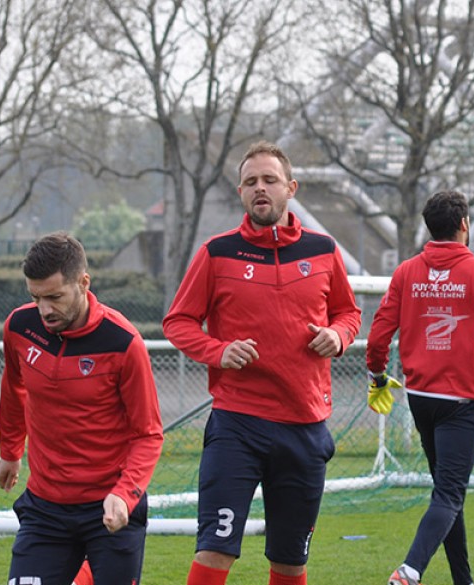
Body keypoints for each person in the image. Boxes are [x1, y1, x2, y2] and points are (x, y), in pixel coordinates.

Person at [164, 141, 362, 585]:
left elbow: (349, 313)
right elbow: (178, 322)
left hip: (305, 427)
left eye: (269, 180)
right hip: (238, 424)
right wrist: (218, 351)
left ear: (290, 188)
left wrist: (339, 335)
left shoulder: (324, 249)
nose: (260, 188)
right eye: (251, 181)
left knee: (291, 563)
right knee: (214, 550)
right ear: (240, 192)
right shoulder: (217, 253)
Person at [365, 190, 474, 585]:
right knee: (450, 495)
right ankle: (409, 572)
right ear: (465, 225)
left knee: (447, 492)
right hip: (461, 399)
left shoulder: (407, 271)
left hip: (420, 397)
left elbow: (378, 334)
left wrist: (376, 375)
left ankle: (463, 579)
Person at [0, 232, 164, 584]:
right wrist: (10, 451)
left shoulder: (124, 343)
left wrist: (125, 493)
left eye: (55, 297)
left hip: (110, 505)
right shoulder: (19, 327)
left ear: (83, 282)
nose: (44, 309)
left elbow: (147, 434)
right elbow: (14, 389)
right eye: (36, 297)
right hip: (45, 507)